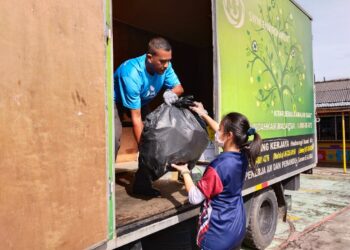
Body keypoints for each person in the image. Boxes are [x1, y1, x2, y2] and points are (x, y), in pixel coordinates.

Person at [172, 102, 262, 250]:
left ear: (229, 135)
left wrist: (185, 172)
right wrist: (204, 115)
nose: (216, 133)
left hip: (217, 236)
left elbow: (195, 198)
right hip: (237, 229)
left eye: (220, 130)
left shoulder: (218, 167)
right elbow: (225, 139)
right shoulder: (243, 155)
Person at [114, 37, 184, 196]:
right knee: (114, 138)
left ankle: (142, 185)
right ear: (150, 57)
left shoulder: (166, 66)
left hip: (141, 99)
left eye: (168, 61)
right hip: (116, 101)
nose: (166, 65)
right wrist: (145, 151)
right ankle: (103, 189)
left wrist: (170, 92)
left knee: (155, 135)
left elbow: (179, 87)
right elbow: (136, 119)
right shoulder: (132, 73)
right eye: (162, 61)